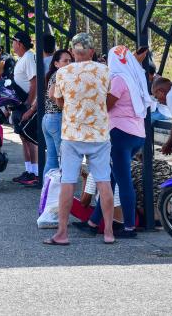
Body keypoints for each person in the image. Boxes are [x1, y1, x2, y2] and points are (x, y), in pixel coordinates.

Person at [44, 33, 115, 246]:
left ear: (74, 53)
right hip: (99, 134)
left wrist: (72, 109)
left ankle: (62, 233)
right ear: (92, 51)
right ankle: (109, 232)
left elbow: (57, 100)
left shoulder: (63, 73)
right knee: (104, 181)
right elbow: (109, 97)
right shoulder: (105, 71)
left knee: (68, 182)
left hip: (72, 134)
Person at [76, 45, 152, 239]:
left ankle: (128, 227)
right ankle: (93, 222)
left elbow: (107, 106)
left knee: (123, 181)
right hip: (137, 135)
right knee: (110, 179)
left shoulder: (118, 79)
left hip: (119, 135)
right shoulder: (135, 77)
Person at [10, 31, 39, 185]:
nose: (13, 45)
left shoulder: (28, 57)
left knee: (30, 138)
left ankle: (35, 172)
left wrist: (29, 103)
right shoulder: (23, 58)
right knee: (23, 138)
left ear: (19, 43)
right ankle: (28, 170)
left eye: (14, 41)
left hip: (25, 104)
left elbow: (34, 81)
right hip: (19, 104)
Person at [41, 49, 73, 175]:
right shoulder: (61, 74)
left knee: (52, 159)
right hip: (57, 118)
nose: (69, 63)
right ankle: (62, 191)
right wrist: (64, 106)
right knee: (64, 158)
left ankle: (48, 191)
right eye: (65, 61)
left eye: (70, 60)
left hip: (48, 119)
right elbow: (51, 94)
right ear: (56, 63)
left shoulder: (55, 74)